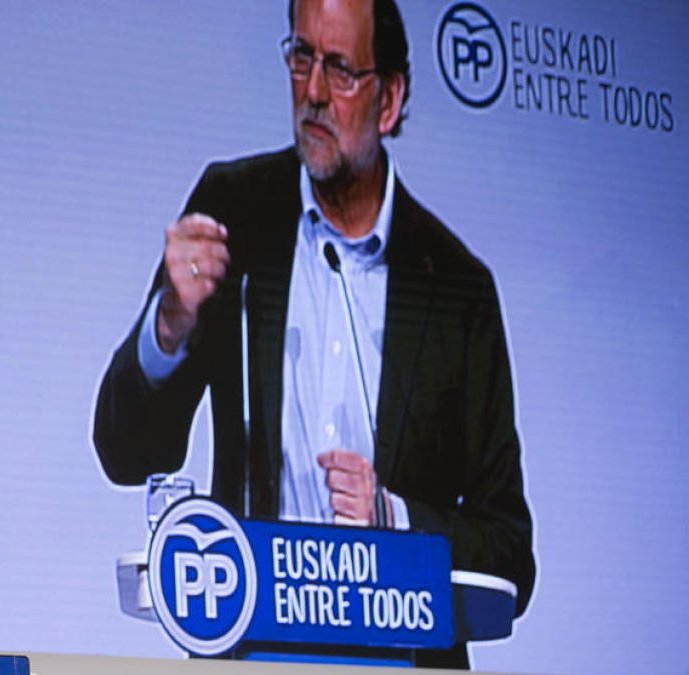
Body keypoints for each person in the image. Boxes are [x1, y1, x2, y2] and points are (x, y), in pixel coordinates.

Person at [92, 0, 534, 667]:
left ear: (389, 100)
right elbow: (124, 451)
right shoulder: (234, 208)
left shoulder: (457, 286)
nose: (314, 92)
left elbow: (507, 549)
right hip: (254, 646)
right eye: (301, 57)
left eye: (340, 69)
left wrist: (393, 518)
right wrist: (169, 324)